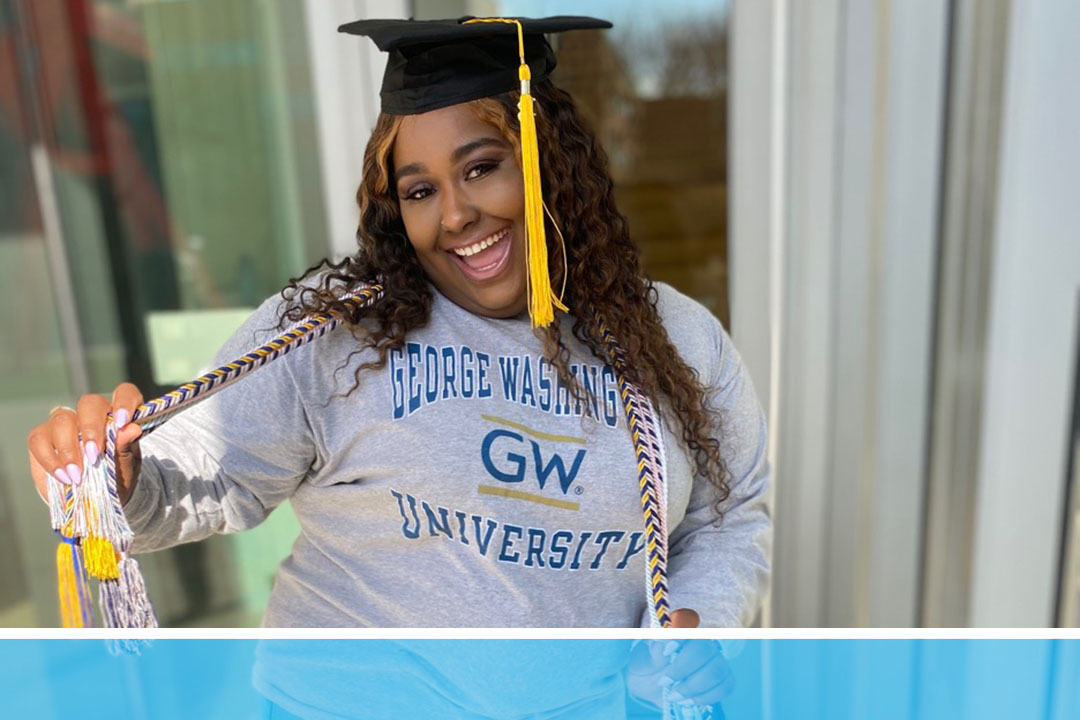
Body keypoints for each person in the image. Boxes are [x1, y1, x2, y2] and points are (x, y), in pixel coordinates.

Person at [26, 17, 769, 635]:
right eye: (420, 190)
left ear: (551, 165)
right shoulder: (341, 328)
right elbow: (209, 467)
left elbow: (729, 514)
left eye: (482, 167)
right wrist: (116, 479)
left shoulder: (675, 336)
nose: (454, 216)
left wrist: (699, 620)